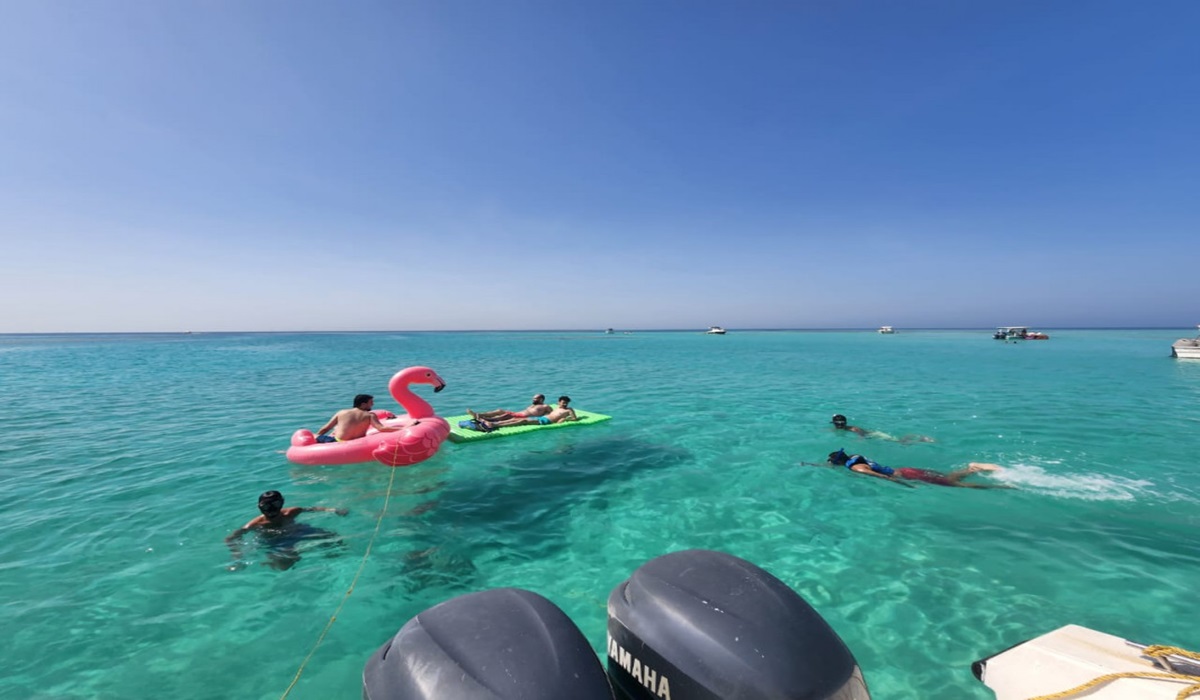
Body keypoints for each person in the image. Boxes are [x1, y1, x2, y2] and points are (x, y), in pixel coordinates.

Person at [225, 491, 348, 570]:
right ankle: (271, 561)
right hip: (276, 540)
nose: (271, 509)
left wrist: (333, 510)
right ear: (260, 507)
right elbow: (230, 538)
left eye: (275, 504)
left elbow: (312, 509)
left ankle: (336, 560)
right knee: (286, 564)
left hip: (298, 531)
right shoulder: (255, 524)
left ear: (282, 503)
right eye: (266, 506)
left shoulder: (291, 512)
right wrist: (237, 556)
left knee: (332, 537)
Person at [825, 448, 1009, 489]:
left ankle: (1000, 487)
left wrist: (907, 486)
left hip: (908, 476)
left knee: (954, 485)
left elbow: (885, 477)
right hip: (907, 469)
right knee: (947, 478)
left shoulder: (857, 469)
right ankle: (972, 468)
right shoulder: (855, 456)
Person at [314, 394, 402, 443]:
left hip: (337, 441)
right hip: (357, 443)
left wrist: (316, 437)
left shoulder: (342, 412)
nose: (373, 404)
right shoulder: (370, 415)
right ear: (363, 404)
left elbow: (326, 428)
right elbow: (381, 428)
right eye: (371, 402)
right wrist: (403, 428)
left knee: (314, 435)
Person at [480, 395, 580, 429]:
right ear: (559, 402)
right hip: (541, 418)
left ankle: (494, 425)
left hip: (546, 422)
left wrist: (565, 419)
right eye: (563, 402)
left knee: (523, 421)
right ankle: (494, 422)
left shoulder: (569, 410)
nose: (565, 404)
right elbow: (550, 413)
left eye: (566, 403)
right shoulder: (556, 408)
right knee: (515, 419)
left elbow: (574, 419)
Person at [831, 414, 934, 444]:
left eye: (841, 423)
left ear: (845, 423)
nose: (839, 425)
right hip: (870, 435)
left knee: (899, 442)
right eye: (837, 424)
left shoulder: (854, 429)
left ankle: (921, 439)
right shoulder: (839, 428)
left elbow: (862, 433)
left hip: (874, 434)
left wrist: (860, 439)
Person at [468, 394, 553, 423]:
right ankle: (479, 415)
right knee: (499, 411)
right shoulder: (532, 405)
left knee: (504, 416)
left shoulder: (545, 406)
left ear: (541, 399)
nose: (533, 399)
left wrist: (544, 415)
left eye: (535, 398)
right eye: (533, 398)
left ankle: (485, 419)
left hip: (522, 417)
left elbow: (551, 414)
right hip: (517, 413)